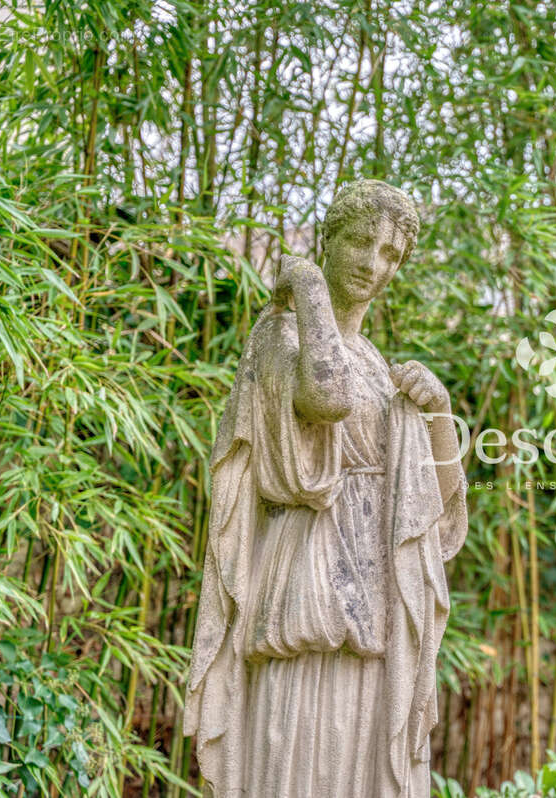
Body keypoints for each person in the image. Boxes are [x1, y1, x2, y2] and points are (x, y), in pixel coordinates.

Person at [184, 179, 467, 797]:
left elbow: (438, 512)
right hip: (305, 575)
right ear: (329, 239)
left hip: (375, 586)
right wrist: (307, 285)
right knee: (300, 741)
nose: (374, 265)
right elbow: (326, 398)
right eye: (362, 243)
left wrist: (440, 412)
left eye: (391, 254)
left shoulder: (373, 361)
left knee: (359, 750)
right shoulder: (281, 337)